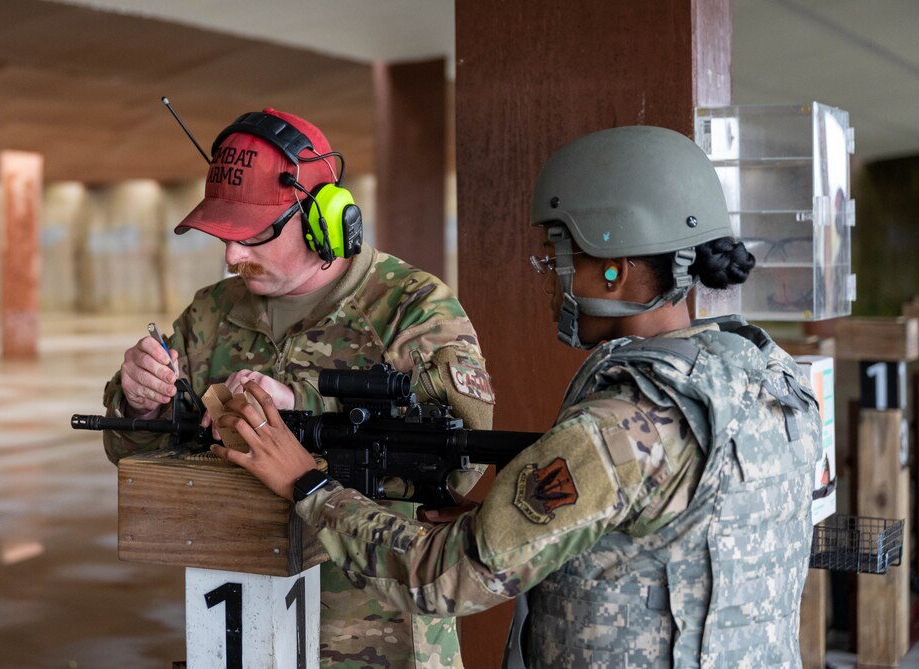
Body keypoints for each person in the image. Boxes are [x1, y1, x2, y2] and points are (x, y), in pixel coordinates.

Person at [212, 125, 822, 668]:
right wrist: (498, 522)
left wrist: (306, 485)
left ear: (616, 268)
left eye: (559, 258)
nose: (551, 279)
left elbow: (443, 579)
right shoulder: (763, 375)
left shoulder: (623, 423)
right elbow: (674, 535)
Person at [100, 108, 495, 669]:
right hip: (245, 634)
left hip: (377, 641)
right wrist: (141, 401)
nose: (233, 256)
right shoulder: (213, 311)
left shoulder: (409, 305)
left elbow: (461, 459)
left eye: (255, 234)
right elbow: (131, 451)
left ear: (322, 217)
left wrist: (306, 403)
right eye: (224, 236)